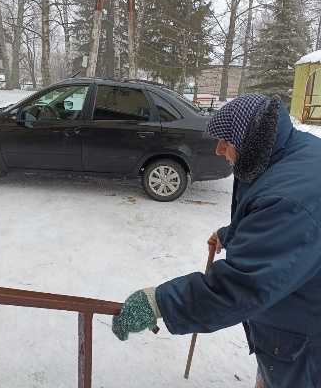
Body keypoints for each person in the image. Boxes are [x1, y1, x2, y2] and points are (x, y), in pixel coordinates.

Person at [112, 94, 321, 388]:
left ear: (249, 138)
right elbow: (275, 226)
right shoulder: (287, 155)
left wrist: (157, 303)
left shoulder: (290, 199)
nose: (219, 149)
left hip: (305, 337)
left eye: (226, 140)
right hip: (292, 313)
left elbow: (239, 290)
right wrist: (231, 233)